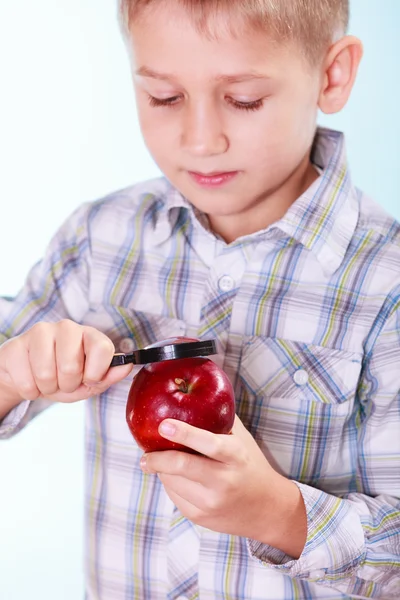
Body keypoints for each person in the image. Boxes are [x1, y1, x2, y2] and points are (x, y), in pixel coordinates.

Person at [1, 0, 399, 597]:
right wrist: (13, 371)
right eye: (164, 97)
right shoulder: (99, 238)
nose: (200, 140)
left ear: (331, 75)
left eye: (244, 100)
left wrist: (283, 515)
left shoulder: (384, 286)